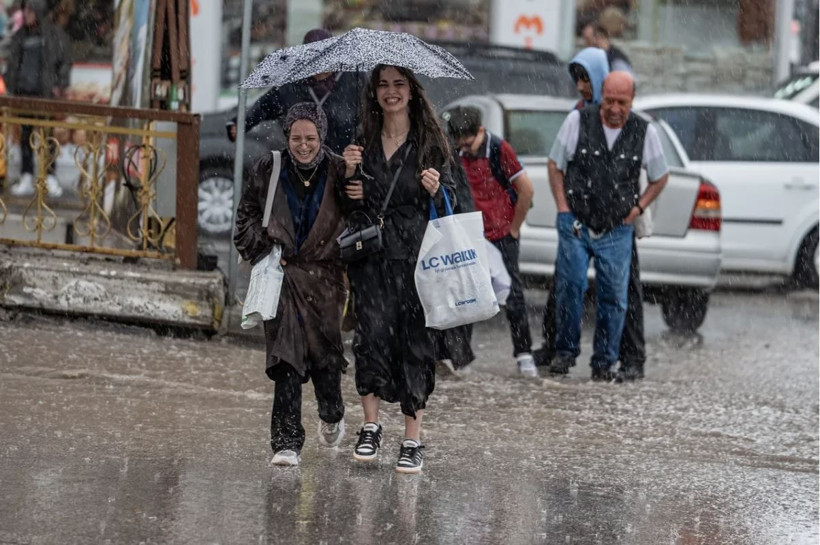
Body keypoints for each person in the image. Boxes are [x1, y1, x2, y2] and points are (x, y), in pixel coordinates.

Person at [341, 64, 456, 474]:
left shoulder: (430, 143)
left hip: (415, 259)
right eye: (383, 85)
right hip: (371, 258)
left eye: (398, 85)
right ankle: (370, 427)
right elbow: (350, 206)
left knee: (415, 343)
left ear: (411, 91)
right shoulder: (362, 141)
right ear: (374, 93)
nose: (391, 92)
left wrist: (436, 189)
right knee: (370, 337)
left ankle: (412, 437)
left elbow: (453, 203)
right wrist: (350, 177)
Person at [234, 102, 348, 467]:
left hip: (325, 281)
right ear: (287, 136)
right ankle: (286, 442)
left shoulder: (340, 169)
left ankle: (332, 413)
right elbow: (246, 216)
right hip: (283, 277)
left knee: (326, 361)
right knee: (286, 359)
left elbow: (360, 214)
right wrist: (266, 246)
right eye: (296, 138)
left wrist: (357, 178)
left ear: (322, 137)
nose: (303, 145)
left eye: (310, 138)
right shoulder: (270, 167)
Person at [547, 71, 668, 381]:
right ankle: (565, 352)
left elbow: (660, 176)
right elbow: (555, 164)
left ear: (632, 101)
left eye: (622, 103)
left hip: (617, 226)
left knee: (615, 297)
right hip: (575, 220)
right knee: (570, 286)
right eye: (610, 101)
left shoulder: (645, 131)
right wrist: (562, 208)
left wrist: (639, 208)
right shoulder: (577, 121)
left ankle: (604, 362)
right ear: (601, 96)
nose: (615, 109)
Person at [445, 105, 537, 377]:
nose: (466, 148)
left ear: (481, 131)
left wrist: (514, 228)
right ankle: (462, 360)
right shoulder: (455, 152)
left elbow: (526, 190)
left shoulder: (499, 149)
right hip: (472, 235)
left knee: (513, 296)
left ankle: (524, 355)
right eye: (460, 143)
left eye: (469, 142)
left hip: (501, 235)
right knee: (468, 295)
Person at [227, 28, 365, 155]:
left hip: (344, 165)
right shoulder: (293, 86)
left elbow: (372, 116)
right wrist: (241, 123)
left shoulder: (354, 79)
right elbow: (264, 106)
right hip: (303, 165)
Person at [5, 0, 69, 198]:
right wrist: (11, 86)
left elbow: (64, 62)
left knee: (48, 137)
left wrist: (60, 84)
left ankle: (49, 176)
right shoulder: (20, 36)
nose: (26, 13)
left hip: (44, 95)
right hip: (24, 94)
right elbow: (12, 64)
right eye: (25, 9)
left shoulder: (53, 35)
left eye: (30, 10)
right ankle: (26, 175)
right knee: (25, 137)